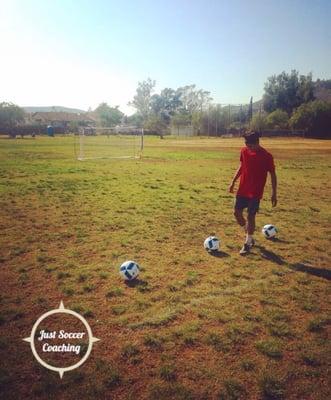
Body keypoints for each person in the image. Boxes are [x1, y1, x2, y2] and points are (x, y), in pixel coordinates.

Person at [229, 131, 277, 255]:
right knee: (237, 213)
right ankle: (248, 232)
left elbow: (272, 174)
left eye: (249, 144)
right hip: (243, 189)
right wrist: (233, 181)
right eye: (245, 144)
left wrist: (274, 192)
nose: (247, 146)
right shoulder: (244, 151)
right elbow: (241, 166)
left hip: (255, 192)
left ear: (257, 143)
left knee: (251, 216)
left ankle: (248, 242)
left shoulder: (267, 156)